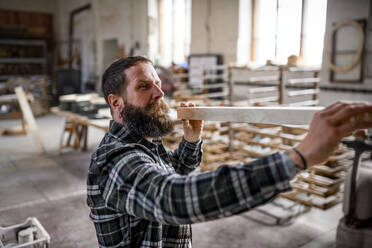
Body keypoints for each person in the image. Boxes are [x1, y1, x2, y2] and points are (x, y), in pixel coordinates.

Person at [87, 56, 372, 248]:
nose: (160, 94)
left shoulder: (144, 142)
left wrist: (190, 140)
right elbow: (175, 199)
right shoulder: (115, 160)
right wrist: (300, 156)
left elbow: (174, 173)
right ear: (116, 102)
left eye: (158, 84)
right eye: (144, 86)